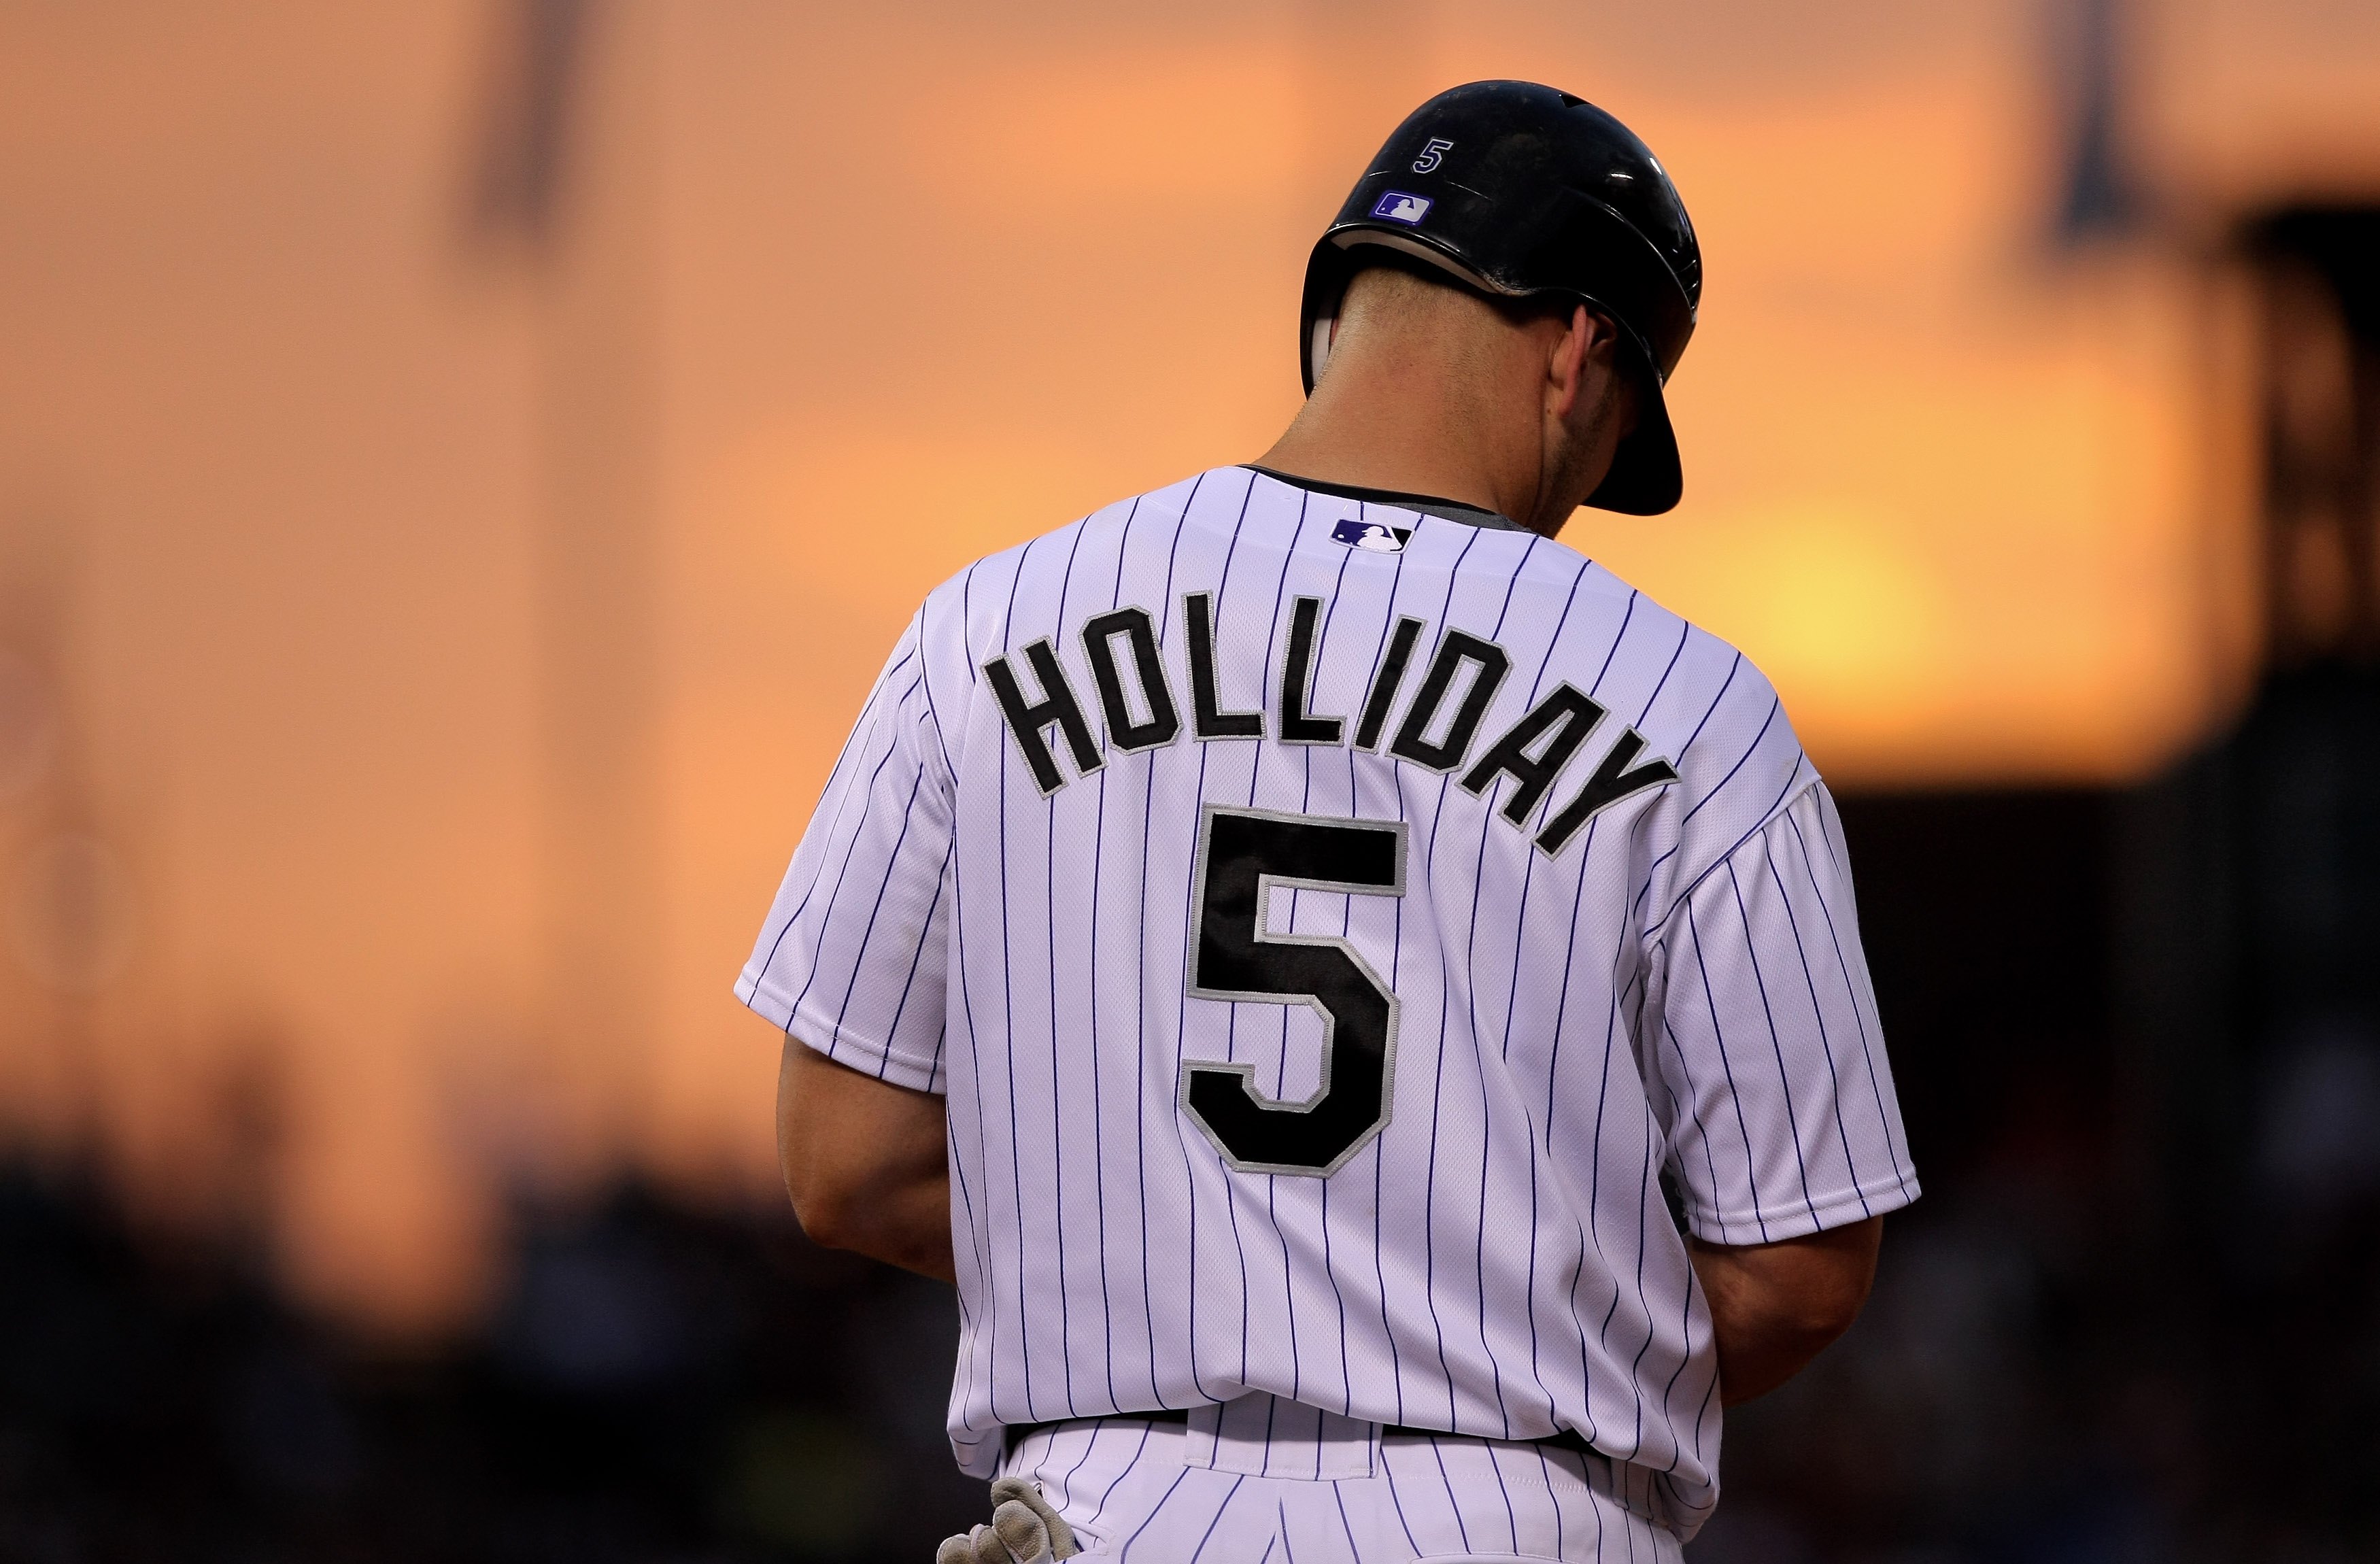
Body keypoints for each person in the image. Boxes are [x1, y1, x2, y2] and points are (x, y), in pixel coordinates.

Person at [739, 80, 1918, 1564]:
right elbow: (1800, 1262)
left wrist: (1182, 1262)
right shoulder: (1688, 704)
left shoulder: (982, 632)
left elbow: (841, 1157)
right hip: (1511, 1514)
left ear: (1334, 315)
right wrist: (1469, 1313)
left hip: (1111, 1512)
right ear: (1578, 353)